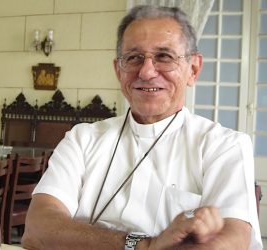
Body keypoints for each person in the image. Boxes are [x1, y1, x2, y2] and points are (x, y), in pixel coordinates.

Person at [22, 5, 262, 250]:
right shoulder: (82, 139)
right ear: (118, 70)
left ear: (193, 69)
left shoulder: (224, 145)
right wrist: (146, 245)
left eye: (164, 56)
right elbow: (38, 229)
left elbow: (232, 241)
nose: (146, 72)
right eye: (134, 58)